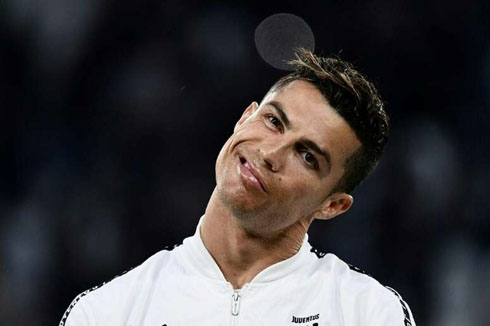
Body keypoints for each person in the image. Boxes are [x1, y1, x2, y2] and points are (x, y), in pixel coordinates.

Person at [60, 48, 416, 326]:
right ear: (246, 117)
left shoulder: (367, 313)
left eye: (307, 156)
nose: (269, 152)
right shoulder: (107, 312)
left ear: (332, 205)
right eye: (274, 121)